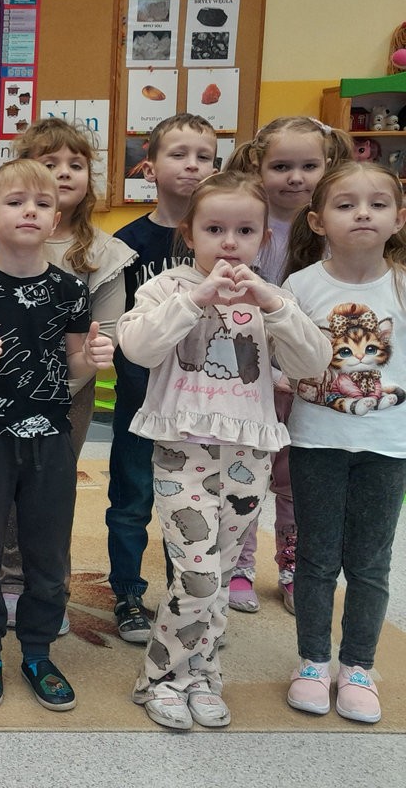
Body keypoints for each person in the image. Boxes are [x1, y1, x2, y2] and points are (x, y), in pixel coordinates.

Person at [117, 170, 328, 730]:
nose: (229, 243)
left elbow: (312, 363)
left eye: (244, 231)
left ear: (263, 238)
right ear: (190, 233)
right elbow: (137, 348)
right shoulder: (168, 288)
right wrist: (195, 299)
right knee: (198, 575)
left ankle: (203, 673)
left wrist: (274, 306)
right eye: (214, 229)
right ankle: (161, 678)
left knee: (220, 574)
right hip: (183, 455)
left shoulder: (273, 298)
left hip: (247, 456)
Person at [0, 159, 113, 715]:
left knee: (48, 551)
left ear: (56, 219)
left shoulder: (69, 289)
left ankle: (38, 652)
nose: (30, 211)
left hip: (50, 440)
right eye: (16, 202)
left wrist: (95, 356)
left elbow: (74, 362)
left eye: (42, 204)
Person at [0, 119, 138, 632]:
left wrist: (53, 387)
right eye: (49, 162)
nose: (63, 173)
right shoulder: (6, 240)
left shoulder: (103, 253)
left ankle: (48, 587)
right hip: (2, 392)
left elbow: (108, 333)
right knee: (4, 488)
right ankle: (8, 580)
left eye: (75, 164)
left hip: (68, 396)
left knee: (51, 490)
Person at [283, 162, 406, 725]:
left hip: (388, 445)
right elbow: (284, 359)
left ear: (398, 219)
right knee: (316, 556)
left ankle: (358, 666)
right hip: (318, 441)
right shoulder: (301, 286)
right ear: (318, 221)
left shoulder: (401, 284)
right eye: (346, 204)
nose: (363, 213)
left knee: (370, 561)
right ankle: (312, 661)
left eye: (378, 204)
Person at [220, 117, 352, 613]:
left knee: (294, 480)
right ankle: (238, 565)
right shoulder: (242, 222)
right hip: (246, 375)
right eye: (281, 166)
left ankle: (293, 564)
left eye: (309, 166)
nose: (295, 177)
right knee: (244, 472)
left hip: (306, 378)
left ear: (328, 165)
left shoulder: (330, 232)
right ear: (258, 164)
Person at [107, 113, 218, 643]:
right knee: (132, 499)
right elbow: (118, 325)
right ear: (148, 167)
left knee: (193, 503)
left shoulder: (219, 239)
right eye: (179, 154)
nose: (192, 165)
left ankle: (186, 595)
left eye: (204, 156)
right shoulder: (126, 244)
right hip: (139, 397)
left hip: (198, 403)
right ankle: (127, 592)